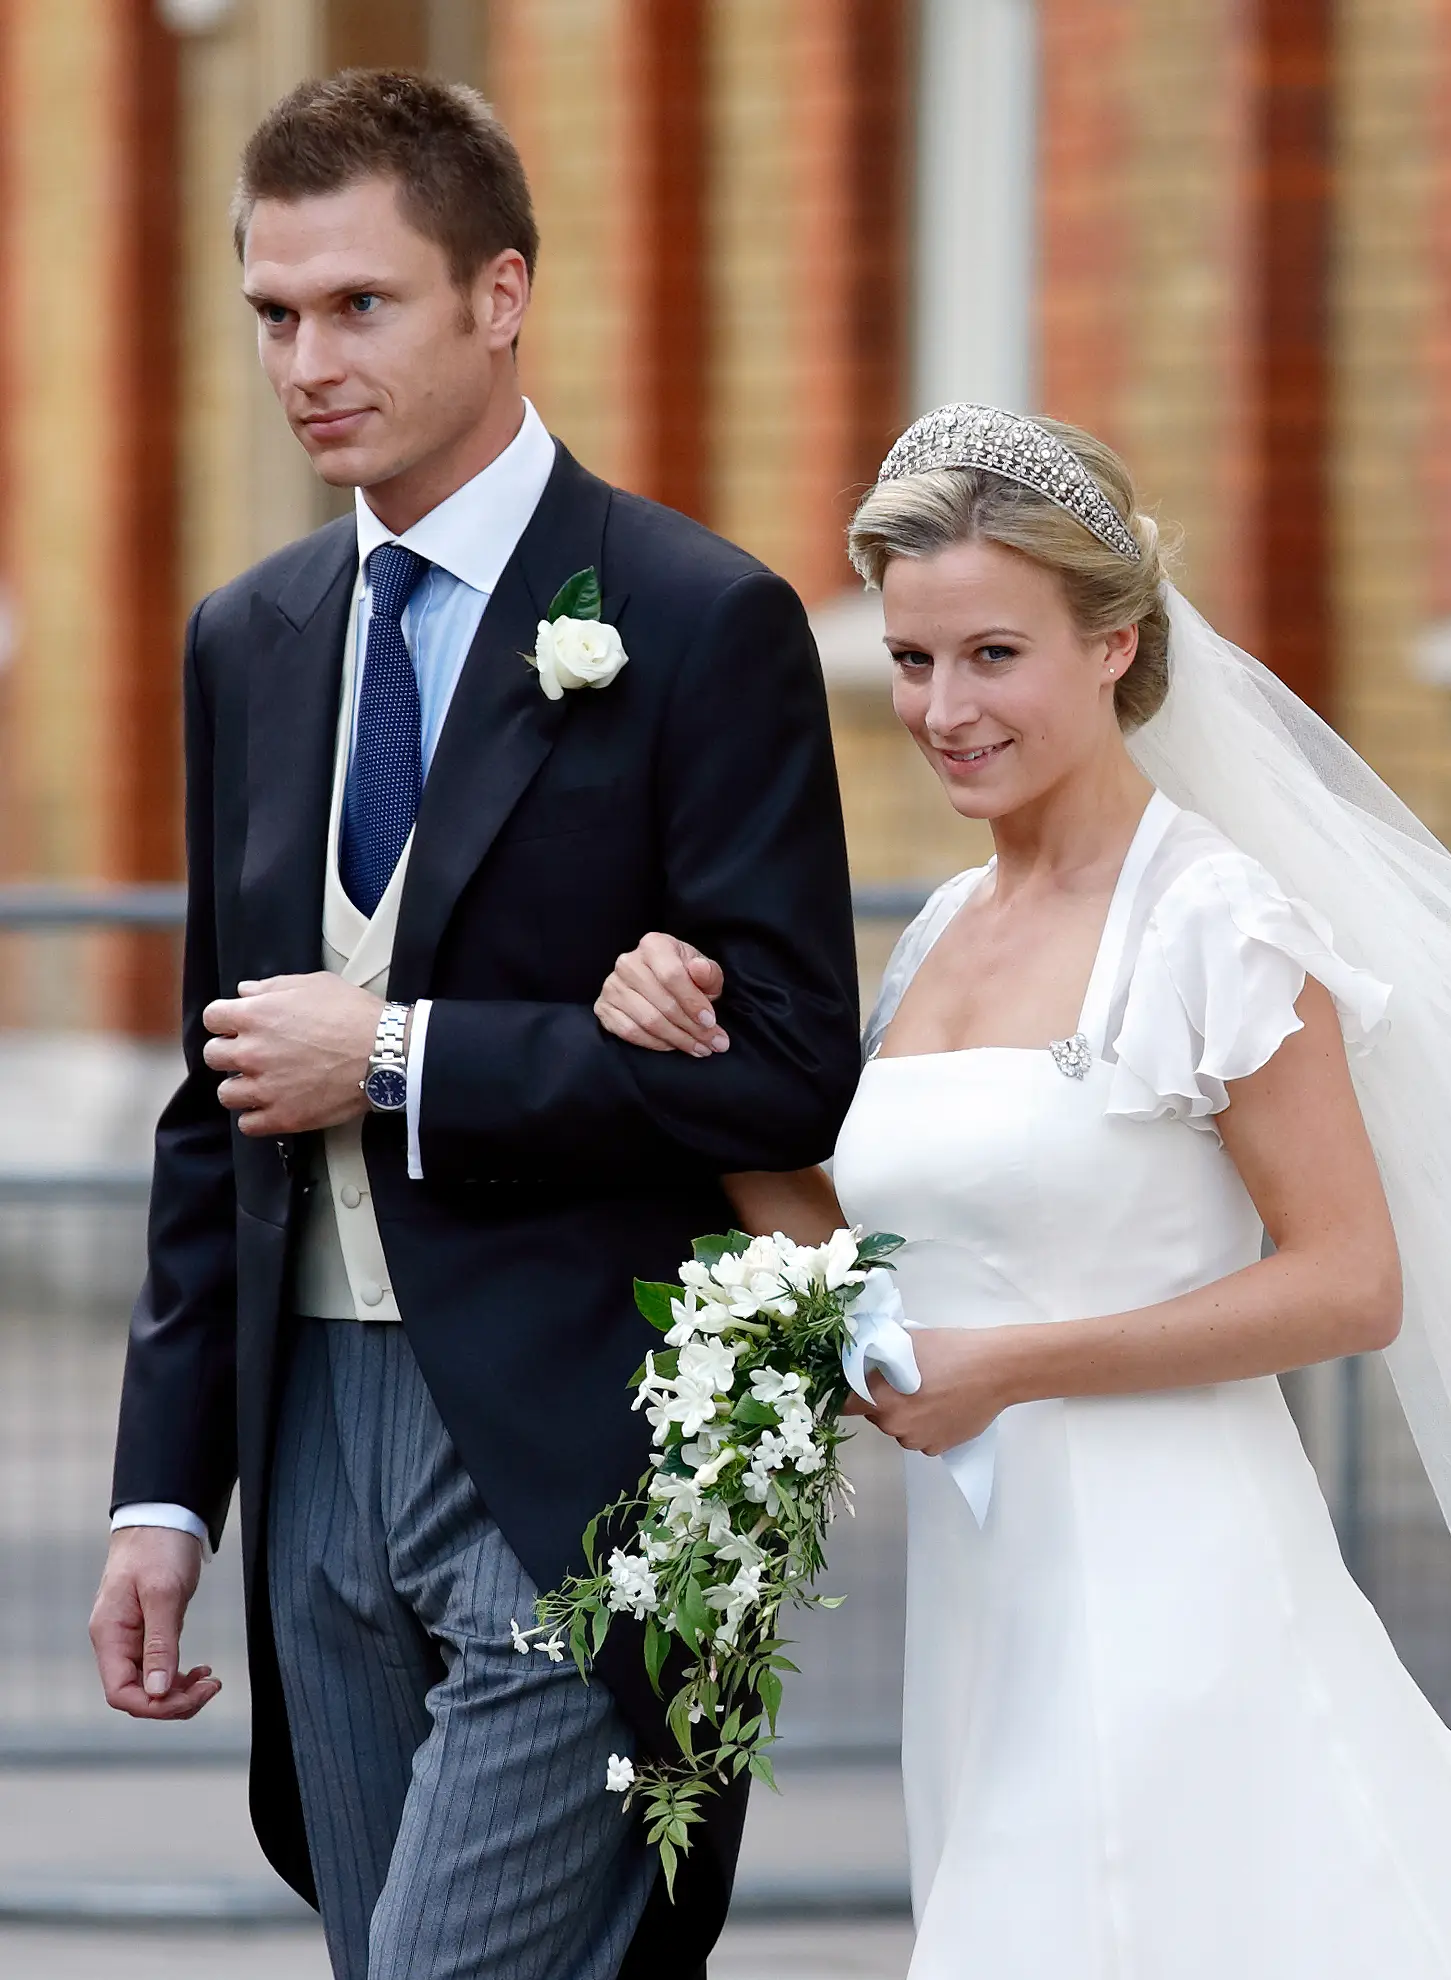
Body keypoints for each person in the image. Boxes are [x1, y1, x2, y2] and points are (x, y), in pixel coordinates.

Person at [597, 402, 1451, 1973]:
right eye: (911, 661)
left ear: (1113, 644)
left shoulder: (1216, 924)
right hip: (985, 1596)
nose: (941, 708)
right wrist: (689, 1066)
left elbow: (1344, 1282)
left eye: (992, 656)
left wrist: (1013, 1367)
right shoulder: (942, 932)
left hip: (1171, 1572)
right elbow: (861, 1255)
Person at [88, 69, 859, 1980]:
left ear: (498, 295)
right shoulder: (245, 636)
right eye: (274, 312)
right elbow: (222, 1089)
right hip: (311, 1446)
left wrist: (413, 1056)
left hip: (573, 1441)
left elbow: (784, 1059)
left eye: (362, 304)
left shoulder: (696, 618)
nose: (306, 360)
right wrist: (167, 1489)